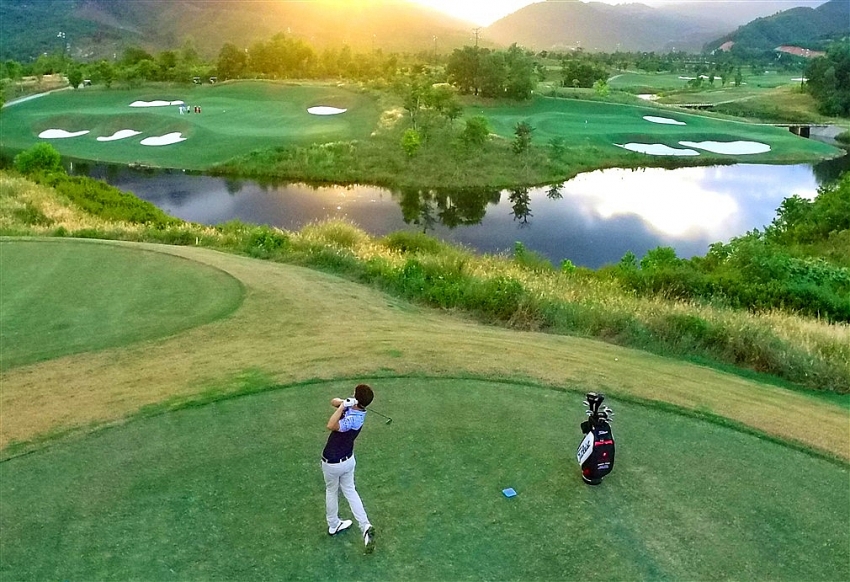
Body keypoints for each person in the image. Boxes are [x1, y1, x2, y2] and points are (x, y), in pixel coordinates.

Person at [322, 383, 375, 553]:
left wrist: (342, 407)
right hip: (348, 460)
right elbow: (333, 401)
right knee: (350, 491)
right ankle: (365, 525)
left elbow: (331, 425)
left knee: (331, 491)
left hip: (332, 462)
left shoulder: (353, 420)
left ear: (356, 397)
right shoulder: (357, 410)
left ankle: (333, 524)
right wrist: (344, 403)